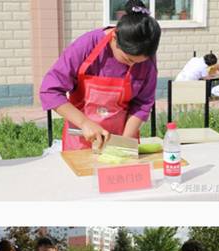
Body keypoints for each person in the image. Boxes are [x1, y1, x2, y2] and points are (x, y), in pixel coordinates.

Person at [40, 0, 160, 151]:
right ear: (115, 37)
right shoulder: (87, 45)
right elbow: (50, 91)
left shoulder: (146, 57)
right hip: (81, 139)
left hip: (121, 138)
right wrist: (84, 123)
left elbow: (142, 104)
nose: (132, 66)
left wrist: (123, 144)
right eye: (128, 59)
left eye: (139, 62)